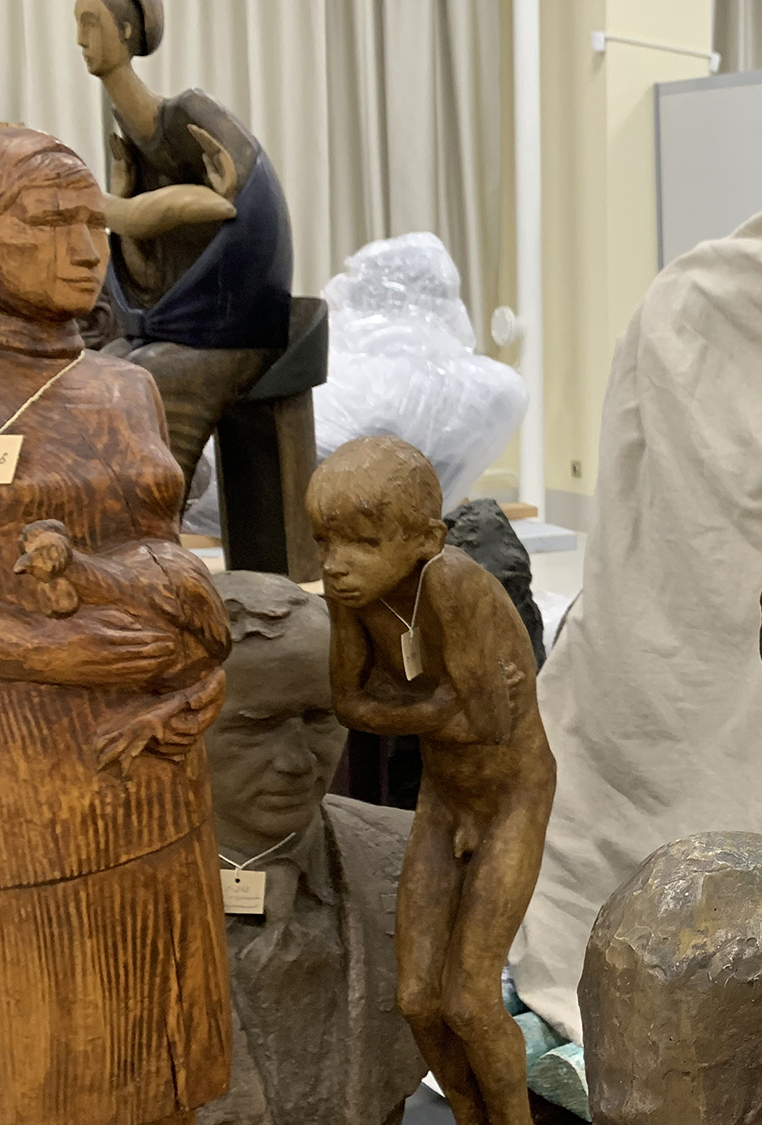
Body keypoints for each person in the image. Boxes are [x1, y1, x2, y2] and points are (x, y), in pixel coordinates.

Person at [0, 125, 233, 1125]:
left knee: (158, 1051)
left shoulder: (129, 388)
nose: (83, 248)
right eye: (46, 221)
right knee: (44, 1055)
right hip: (28, 773)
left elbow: (170, 554)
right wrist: (50, 649)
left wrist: (200, 670)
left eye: (93, 222)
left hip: (154, 759)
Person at [307, 435, 556, 1125]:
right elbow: (348, 705)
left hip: (510, 800)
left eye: (362, 542)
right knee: (417, 999)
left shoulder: (451, 583)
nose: (335, 564)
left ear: (426, 539)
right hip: (444, 800)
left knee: (470, 1002)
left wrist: (408, 705)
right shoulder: (353, 594)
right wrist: (438, 705)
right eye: (325, 541)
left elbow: (489, 724)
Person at [197, 571, 428, 1125]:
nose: (298, 761)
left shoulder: (415, 857)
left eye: (322, 718)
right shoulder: (98, 904)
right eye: (256, 727)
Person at [73, 0, 294, 489]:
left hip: (233, 325)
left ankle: (158, 510)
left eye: (90, 23)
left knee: (147, 378)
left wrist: (112, 206)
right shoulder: (132, 140)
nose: (80, 40)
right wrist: (127, 210)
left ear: (126, 30)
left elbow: (236, 209)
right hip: (176, 324)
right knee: (97, 370)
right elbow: (149, 274)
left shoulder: (192, 113)